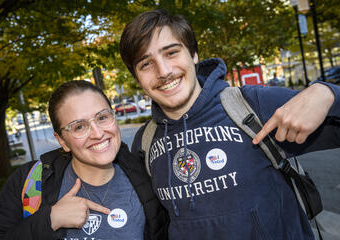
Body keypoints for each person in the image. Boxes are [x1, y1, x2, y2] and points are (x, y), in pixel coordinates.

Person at [119, 9, 340, 239]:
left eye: (172, 52)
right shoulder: (145, 142)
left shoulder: (252, 105)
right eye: (146, 64)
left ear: (193, 54)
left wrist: (328, 94)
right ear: (137, 78)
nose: (163, 71)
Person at [0, 80, 168, 240]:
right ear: (62, 140)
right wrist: (49, 220)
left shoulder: (146, 172)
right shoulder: (31, 181)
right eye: (79, 127)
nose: (98, 133)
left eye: (102, 117)